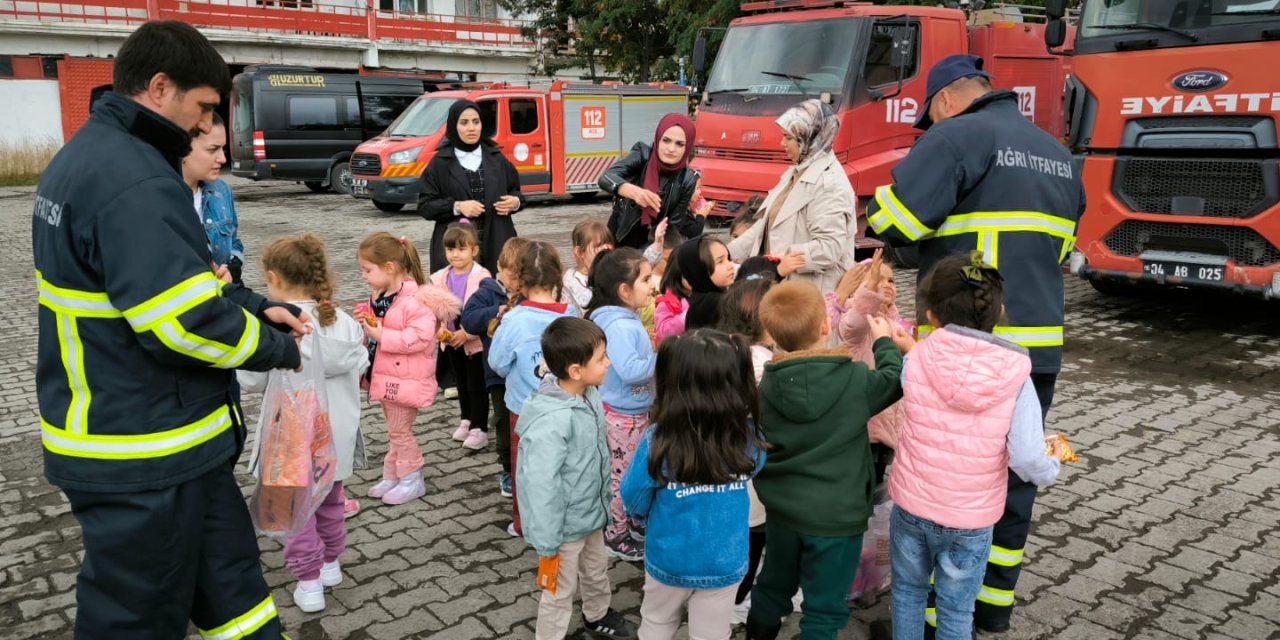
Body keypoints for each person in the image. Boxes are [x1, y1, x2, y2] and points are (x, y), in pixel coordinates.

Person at [32, 20, 308, 638]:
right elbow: (182, 325)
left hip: (172, 447)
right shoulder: (135, 180)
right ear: (160, 87)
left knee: (236, 598)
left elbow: (173, 287)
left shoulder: (89, 157)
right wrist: (275, 347)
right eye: (204, 107)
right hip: (144, 453)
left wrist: (251, 303)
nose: (205, 127)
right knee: (135, 619)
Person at [864, 54, 1085, 634]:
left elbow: (895, 221)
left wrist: (889, 220)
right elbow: (1058, 253)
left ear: (942, 101)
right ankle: (991, 605)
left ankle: (935, 615)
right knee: (1011, 476)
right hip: (1036, 349)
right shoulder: (1059, 156)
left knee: (949, 480)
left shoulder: (958, 135)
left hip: (961, 347)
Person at [890, 252, 1060, 640]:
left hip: (912, 508)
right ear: (999, 310)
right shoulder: (1017, 374)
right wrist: (1051, 465)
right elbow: (1029, 456)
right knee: (956, 608)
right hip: (970, 522)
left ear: (931, 315)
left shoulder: (916, 359)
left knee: (907, 594)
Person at [746, 281, 911, 640]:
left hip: (784, 513)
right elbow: (894, 379)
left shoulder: (764, 390)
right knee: (824, 606)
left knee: (773, 587)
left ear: (772, 335)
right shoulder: (854, 381)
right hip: (838, 518)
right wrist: (885, 343)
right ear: (825, 327)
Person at [238, 234, 370, 614]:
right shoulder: (343, 321)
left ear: (272, 278)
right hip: (336, 434)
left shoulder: (276, 325)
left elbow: (252, 379)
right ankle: (330, 563)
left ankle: (309, 581)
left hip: (291, 437)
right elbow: (359, 364)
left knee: (294, 512)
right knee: (331, 501)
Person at [621, 329, 766, 640]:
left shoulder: (659, 438)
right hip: (725, 558)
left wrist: (644, 517)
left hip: (669, 554)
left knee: (657, 623)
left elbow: (633, 494)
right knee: (712, 634)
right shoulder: (749, 437)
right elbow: (755, 469)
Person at [516, 317, 640, 640]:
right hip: (561, 529)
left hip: (590, 514)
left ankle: (597, 614)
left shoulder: (588, 392)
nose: (608, 362)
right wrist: (547, 540)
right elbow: (540, 483)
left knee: (596, 570)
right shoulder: (552, 421)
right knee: (558, 590)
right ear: (575, 370)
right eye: (601, 358)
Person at [356, 233, 460, 506]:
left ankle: (413, 476)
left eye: (368, 270)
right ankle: (393, 474)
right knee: (394, 429)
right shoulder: (380, 294)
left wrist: (380, 334)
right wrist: (365, 325)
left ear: (389, 268)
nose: (364, 276)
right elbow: (379, 328)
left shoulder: (417, 300)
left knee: (400, 430)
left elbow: (419, 338)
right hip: (385, 375)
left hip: (406, 379)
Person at [489, 241, 573, 537]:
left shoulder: (513, 320)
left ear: (520, 281)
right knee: (563, 465)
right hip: (565, 407)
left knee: (524, 469)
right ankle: (563, 517)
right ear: (558, 276)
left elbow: (497, 362)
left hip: (523, 409)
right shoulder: (572, 315)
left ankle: (524, 523)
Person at [728, 99, 856, 293]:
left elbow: (829, 247)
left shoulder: (830, 184)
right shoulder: (795, 172)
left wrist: (780, 259)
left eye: (788, 138)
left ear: (809, 138)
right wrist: (726, 252)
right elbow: (762, 230)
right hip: (778, 284)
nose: (782, 143)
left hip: (807, 294)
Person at [585, 248, 656, 562]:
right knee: (622, 477)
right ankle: (616, 535)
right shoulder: (620, 326)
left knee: (632, 470)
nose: (653, 285)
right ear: (624, 291)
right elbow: (630, 370)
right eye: (646, 279)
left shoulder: (623, 318)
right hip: (622, 416)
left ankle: (634, 520)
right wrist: (661, 356)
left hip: (631, 411)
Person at [716, 277, 777, 625]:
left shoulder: (725, 349)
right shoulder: (762, 365)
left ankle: (731, 597)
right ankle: (736, 601)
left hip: (725, 466)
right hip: (750, 471)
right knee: (753, 536)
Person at [460, 237, 533, 502]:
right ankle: (507, 468)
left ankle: (529, 466)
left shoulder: (529, 294)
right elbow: (468, 319)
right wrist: (496, 311)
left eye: (520, 278)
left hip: (526, 372)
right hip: (497, 374)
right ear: (499, 267)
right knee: (503, 422)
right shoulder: (486, 291)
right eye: (512, 277)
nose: (515, 284)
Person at [418, 99, 524, 274]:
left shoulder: (496, 158)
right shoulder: (440, 163)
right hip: (456, 248)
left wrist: (515, 202)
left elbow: (517, 192)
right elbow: (425, 206)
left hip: (496, 241)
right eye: (464, 123)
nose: (471, 128)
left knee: (499, 293)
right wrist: (457, 206)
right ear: (453, 125)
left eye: (476, 122)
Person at [430, 222, 493, 451]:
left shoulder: (481, 277)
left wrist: (466, 333)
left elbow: (485, 309)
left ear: (474, 250)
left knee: (476, 384)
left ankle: (480, 427)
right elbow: (433, 309)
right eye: (450, 249)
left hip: (473, 341)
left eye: (461, 249)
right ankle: (466, 419)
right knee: (461, 383)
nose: (455, 255)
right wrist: (442, 332)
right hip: (450, 339)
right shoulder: (439, 278)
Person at [599, 114, 704, 249]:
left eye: (679, 144)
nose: (671, 149)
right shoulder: (643, 154)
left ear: (687, 147)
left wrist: (651, 255)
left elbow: (673, 226)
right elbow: (606, 178)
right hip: (620, 236)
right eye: (666, 140)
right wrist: (635, 193)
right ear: (658, 139)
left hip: (653, 244)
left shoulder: (687, 180)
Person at [182, 111, 245, 284]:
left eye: (223, 149)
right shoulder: (157, 199)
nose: (223, 159)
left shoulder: (221, 190)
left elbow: (234, 242)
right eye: (213, 149)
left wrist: (232, 270)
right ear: (183, 148)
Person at [676, 236, 736, 331]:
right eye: (720, 261)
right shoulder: (710, 303)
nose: (730, 265)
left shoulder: (700, 298)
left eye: (728, 258)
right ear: (699, 270)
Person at [563, 218, 614, 313]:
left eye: (608, 244)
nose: (605, 249)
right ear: (579, 252)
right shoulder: (571, 281)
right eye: (598, 246)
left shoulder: (611, 272)